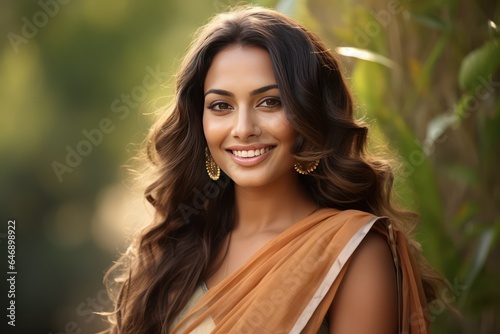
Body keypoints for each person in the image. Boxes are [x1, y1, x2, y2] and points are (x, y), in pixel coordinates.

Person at [103, 5, 446, 333]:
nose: (243, 128)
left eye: (270, 102)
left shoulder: (354, 252)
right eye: (221, 106)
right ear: (200, 121)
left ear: (308, 114)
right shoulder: (178, 248)